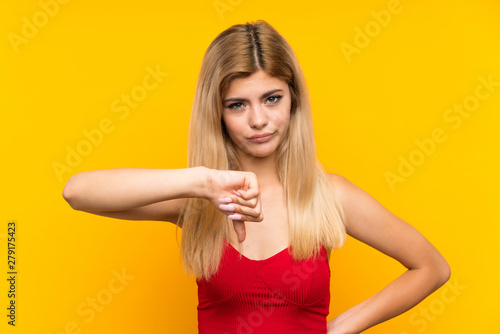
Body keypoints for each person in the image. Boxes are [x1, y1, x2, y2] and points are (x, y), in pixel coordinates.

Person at [62, 20, 450, 334]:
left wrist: (342, 327)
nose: (259, 120)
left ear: (293, 98)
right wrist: (201, 182)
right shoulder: (200, 199)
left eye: (272, 98)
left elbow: (432, 267)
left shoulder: (328, 196)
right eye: (237, 105)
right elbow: (77, 192)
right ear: (217, 112)